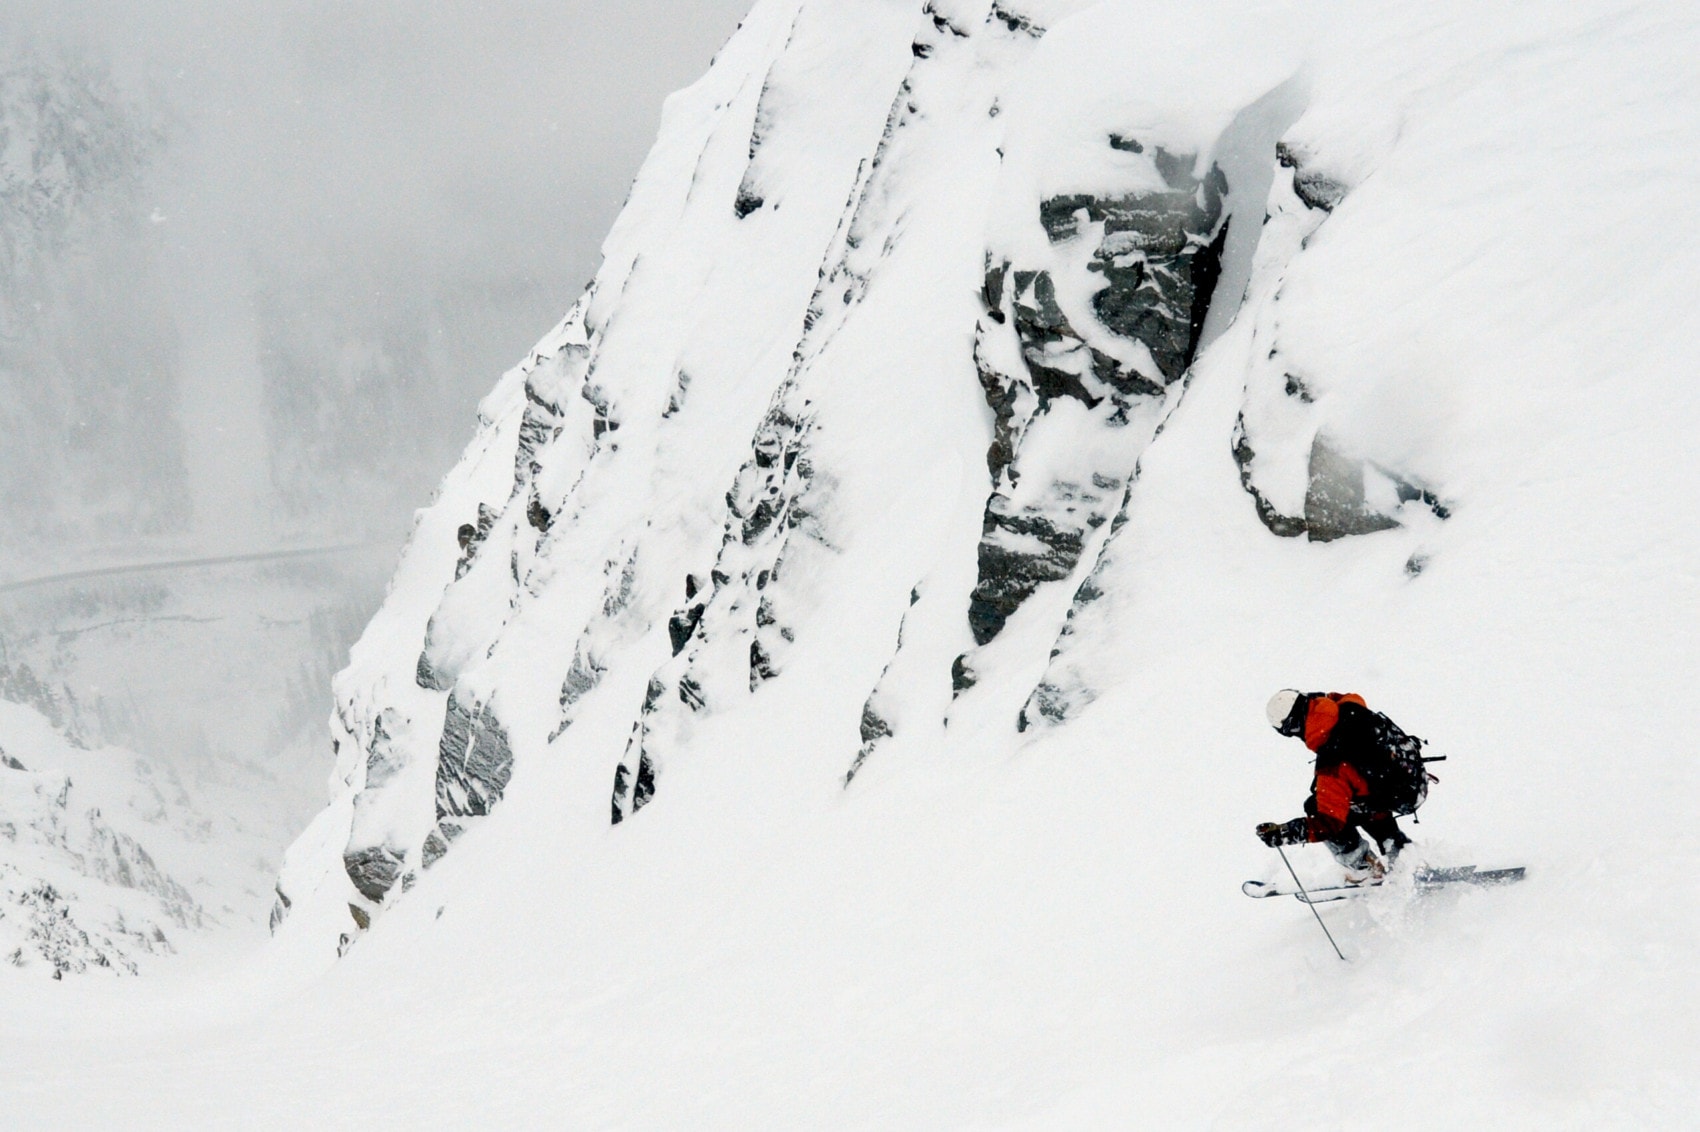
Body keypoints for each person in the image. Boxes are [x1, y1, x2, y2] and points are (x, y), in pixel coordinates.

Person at [1255, 689, 1425, 880]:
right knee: (1359, 792)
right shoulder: (1349, 706)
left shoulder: (1331, 763)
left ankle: (1366, 869)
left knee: (1315, 806)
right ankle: (1403, 854)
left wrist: (1285, 833)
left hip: (1391, 796)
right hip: (1409, 782)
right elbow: (1339, 696)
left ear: (1293, 728)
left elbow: (1329, 824)